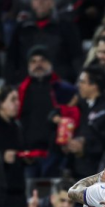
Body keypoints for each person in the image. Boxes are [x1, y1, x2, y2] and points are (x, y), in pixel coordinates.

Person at [16, 46, 78, 178]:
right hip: (28, 155)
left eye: (42, 60)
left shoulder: (66, 90)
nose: (38, 64)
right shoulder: (19, 92)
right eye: (33, 61)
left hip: (56, 155)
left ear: (51, 63)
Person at [6, 0, 83, 83]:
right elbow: (11, 60)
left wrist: (78, 82)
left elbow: (77, 58)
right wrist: (10, 84)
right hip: (27, 84)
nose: (40, 2)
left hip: (59, 84)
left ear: (52, 2)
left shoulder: (66, 27)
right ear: (31, 3)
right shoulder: (21, 29)